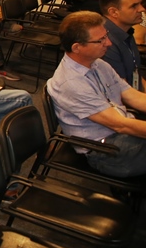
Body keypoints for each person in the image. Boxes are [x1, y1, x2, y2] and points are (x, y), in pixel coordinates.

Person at [47, 11, 146, 178]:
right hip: (105, 150)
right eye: (100, 40)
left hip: (121, 133)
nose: (108, 43)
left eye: (106, 36)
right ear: (77, 47)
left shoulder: (99, 64)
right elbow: (120, 125)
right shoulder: (71, 83)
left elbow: (132, 95)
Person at [99, 0, 145, 89]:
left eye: (140, 4)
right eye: (134, 6)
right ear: (114, 12)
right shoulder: (105, 42)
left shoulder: (126, 32)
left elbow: (136, 76)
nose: (142, 9)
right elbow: (121, 92)